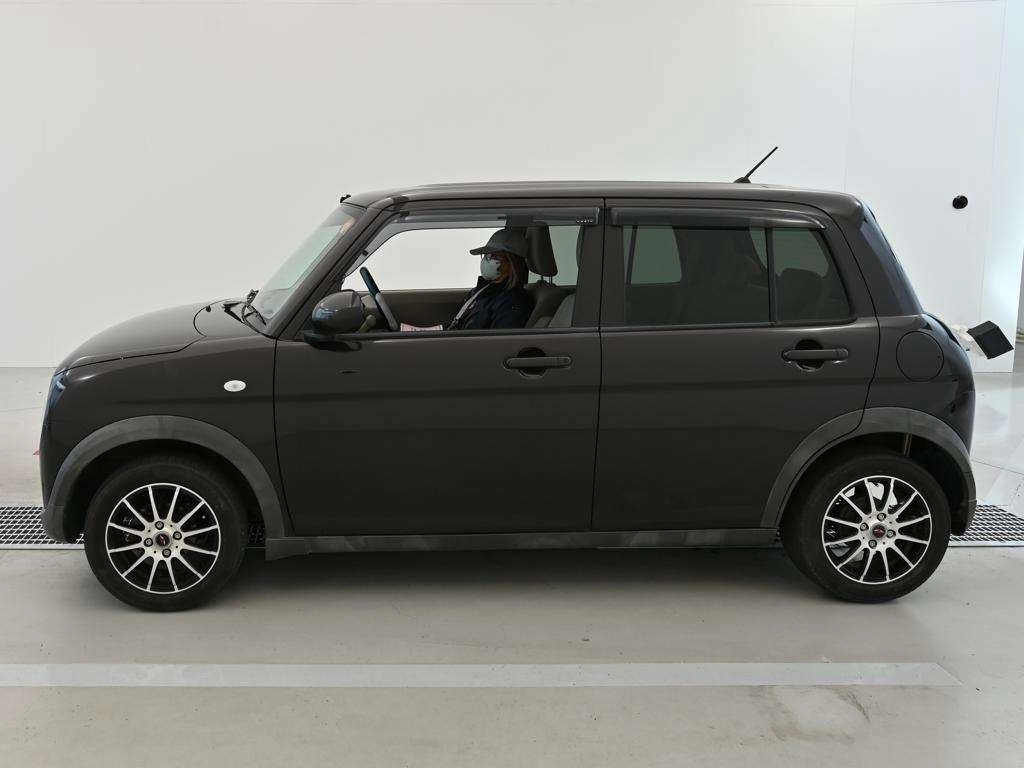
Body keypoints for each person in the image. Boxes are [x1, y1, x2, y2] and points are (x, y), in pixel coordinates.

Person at [448, 228, 534, 330]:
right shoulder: (482, 290)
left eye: (493, 256)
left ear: (511, 262)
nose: (486, 260)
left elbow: (499, 339)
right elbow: (457, 326)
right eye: (486, 255)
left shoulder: (513, 303)